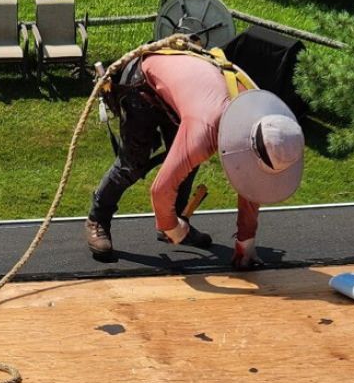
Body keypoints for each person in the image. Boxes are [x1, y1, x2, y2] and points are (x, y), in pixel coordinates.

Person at [85, 49, 304, 268]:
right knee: (132, 164)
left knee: (186, 167)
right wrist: (172, 228)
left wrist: (246, 241)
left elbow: (252, 181)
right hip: (143, 83)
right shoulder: (205, 130)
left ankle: (178, 219)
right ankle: (97, 218)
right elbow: (160, 190)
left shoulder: (263, 117)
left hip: (189, 91)